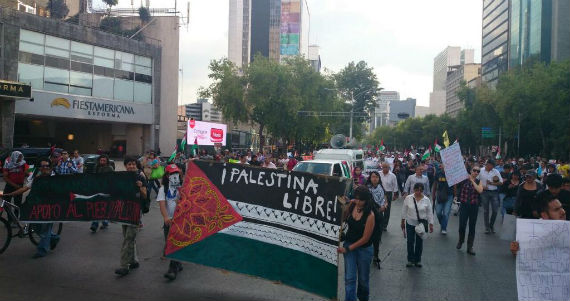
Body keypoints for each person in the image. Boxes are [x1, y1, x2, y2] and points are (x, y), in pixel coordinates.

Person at [2, 157, 59, 258]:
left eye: (46, 166)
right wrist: (8, 194)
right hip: (37, 208)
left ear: (50, 167)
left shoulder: (55, 178)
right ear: (39, 168)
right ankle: (54, 237)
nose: (44, 168)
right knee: (35, 227)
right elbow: (24, 188)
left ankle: (42, 250)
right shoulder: (36, 179)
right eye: (42, 166)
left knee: (45, 230)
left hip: (50, 208)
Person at [337, 186, 375, 301]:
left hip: (364, 249)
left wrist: (348, 249)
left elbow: (365, 238)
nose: (358, 202)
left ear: (366, 200)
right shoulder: (352, 205)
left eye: (361, 200)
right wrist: (344, 205)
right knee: (350, 278)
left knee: (363, 279)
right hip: (349, 243)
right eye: (356, 198)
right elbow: (342, 219)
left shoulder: (370, 215)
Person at [115, 156, 148, 276]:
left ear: (136, 165)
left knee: (128, 238)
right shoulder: (121, 177)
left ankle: (124, 266)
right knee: (127, 237)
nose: (131, 166)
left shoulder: (141, 177)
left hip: (135, 212)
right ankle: (134, 260)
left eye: (133, 164)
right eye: (129, 164)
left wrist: (140, 187)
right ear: (125, 166)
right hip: (123, 211)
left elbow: (145, 195)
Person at [157, 164, 184, 280]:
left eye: (176, 173)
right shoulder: (163, 188)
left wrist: (181, 200)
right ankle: (178, 263)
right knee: (169, 243)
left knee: (175, 244)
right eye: (172, 173)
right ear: (167, 175)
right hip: (169, 221)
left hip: (181, 220)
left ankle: (172, 269)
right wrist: (166, 217)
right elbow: (162, 203)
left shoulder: (183, 187)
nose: (174, 175)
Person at [401, 183, 434, 267]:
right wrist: (402, 221)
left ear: (423, 191)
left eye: (420, 190)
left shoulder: (426, 200)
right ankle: (410, 259)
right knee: (410, 241)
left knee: (419, 242)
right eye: (417, 190)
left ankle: (418, 260)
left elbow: (429, 213)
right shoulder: (408, 198)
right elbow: (404, 210)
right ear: (414, 190)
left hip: (421, 224)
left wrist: (431, 224)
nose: (418, 192)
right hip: (410, 223)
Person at [456, 165, 484, 255]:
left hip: (473, 206)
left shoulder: (479, 181)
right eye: (474, 170)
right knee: (462, 225)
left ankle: (470, 246)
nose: (476, 172)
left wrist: (472, 180)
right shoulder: (463, 179)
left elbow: (480, 190)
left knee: (472, 226)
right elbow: (454, 181)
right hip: (464, 205)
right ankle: (461, 240)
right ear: (471, 171)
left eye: (478, 171)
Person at [2, 151, 29, 223]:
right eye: (19, 157)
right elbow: (5, 177)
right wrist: (15, 186)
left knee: (17, 204)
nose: (20, 158)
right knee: (6, 202)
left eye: (21, 157)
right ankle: (10, 219)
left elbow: (27, 172)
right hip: (10, 186)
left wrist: (30, 173)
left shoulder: (23, 163)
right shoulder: (8, 163)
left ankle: (15, 220)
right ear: (14, 156)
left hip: (20, 186)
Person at [90, 154, 114, 232]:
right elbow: (93, 177)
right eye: (101, 160)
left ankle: (103, 222)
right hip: (97, 190)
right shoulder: (96, 167)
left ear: (107, 161)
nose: (102, 162)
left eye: (104, 160)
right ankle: (95, 224)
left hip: (106, 190)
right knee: (97, 207)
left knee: (103, 207)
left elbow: (113, 178)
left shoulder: (110, 168)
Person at [478, 159, 503, 234]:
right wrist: (482, 186)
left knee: (495, 210)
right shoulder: (480, 171)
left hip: (494, 192)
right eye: (491, 165)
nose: (492, 167)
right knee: (486, 211)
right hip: (484, 192)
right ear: (487, 164)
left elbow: (501, 182)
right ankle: (487, 227)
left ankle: (491, 225)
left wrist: (492, 183)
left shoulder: (496, 171)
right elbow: (476, 181)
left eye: (493, 166)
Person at [367, 171, 385, 269]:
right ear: (370, 178)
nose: (375, 179)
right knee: (368, 235)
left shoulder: (381, 188)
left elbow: (383, 199)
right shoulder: (367, 189)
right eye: (373, 177)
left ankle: (376, 255)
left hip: (378, 215)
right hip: (369, 214)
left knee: (377, 237)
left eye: (376, 177)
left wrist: (384, 205)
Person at [432, 164, 455, 234]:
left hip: (449, 195)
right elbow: (435, 184)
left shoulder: (452, 174)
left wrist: (455, 195)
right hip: (440, 195)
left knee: (446, 213)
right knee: (438, 212)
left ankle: (444, 228)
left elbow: (455, 185)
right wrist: (433, 194)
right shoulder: (438, 173)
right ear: (441, 166)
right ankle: (442, 223)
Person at [379, 162, 398, 232]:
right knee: (379, 208)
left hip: (388, 193)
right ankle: (380, 223)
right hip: (380, 193)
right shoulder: (379, 173)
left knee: (387, 210)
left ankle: (384, 225)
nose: (384, 169)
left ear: (389, 168)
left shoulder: (392, 176)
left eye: (386, 167)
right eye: (383, 167)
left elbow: (395, 185)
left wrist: (395, 194)